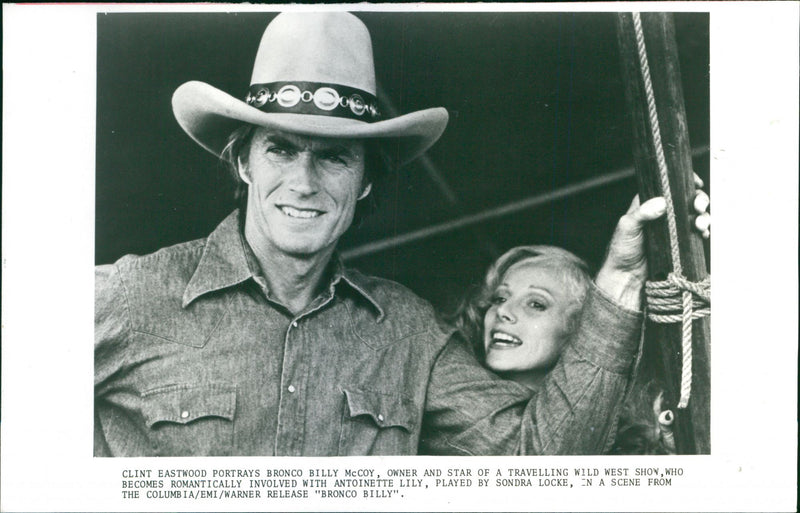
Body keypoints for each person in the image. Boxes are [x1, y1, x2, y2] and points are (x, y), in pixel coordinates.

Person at [94, 11, 709, 456]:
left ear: (364, 181)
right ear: (243, 163)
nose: (304, 182)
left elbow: (537, 460)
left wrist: (622, 280)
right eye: (280, 148)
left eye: (334, 157)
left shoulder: (409, 332)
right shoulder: (127, 296)